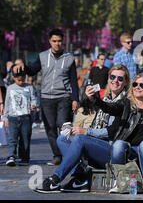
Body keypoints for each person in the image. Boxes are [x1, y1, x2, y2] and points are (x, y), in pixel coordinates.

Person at [34, 65, 129, 193]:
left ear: (126, 82)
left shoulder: (124, 101)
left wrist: (85, 131)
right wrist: (73, 129)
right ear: (108, 79)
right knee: (62, 139)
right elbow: (96, 122)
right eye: (112, 77)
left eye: (120, 78)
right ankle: (80, 179)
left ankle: (55, 179)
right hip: (95, 144)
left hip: (110, 149)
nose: (115, 81)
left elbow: (111, 131)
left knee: (80, 138)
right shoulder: (106, 98)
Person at [14, 28, 79, 166]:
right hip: (46, 97)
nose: (57, 44)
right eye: (54, 41)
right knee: (50, 128)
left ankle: (67, 154)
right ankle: (57, 156)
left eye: (59, 41)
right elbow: (32, 71)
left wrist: (75, 99)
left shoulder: (69, 58)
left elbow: (74, 80)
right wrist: (23, 66)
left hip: (64, 97)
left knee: (63, 125)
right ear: (50, 41)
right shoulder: (42, 56)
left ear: (63, 42)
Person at [95, 73, 143, 195]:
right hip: (129, 149)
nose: (137, 87)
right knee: (118, 144)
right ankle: (118, 181)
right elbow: (110, 108)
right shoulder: (126, 104)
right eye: (135, 84)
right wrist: (96, 99)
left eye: (142, 85)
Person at [2, 66, 36, 166]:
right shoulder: (10, 88)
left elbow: (33, 98)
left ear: (25, 77)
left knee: (25, 138)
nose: (21, 81)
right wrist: (5, 117)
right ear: (13, 78)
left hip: (25, 116)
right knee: (13, 137)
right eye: (18, 80)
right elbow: (7, 102)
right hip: (12, 117)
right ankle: (11, 155)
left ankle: (24, 157)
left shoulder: (29, 87)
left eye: (22, 79)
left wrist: (33, 105)